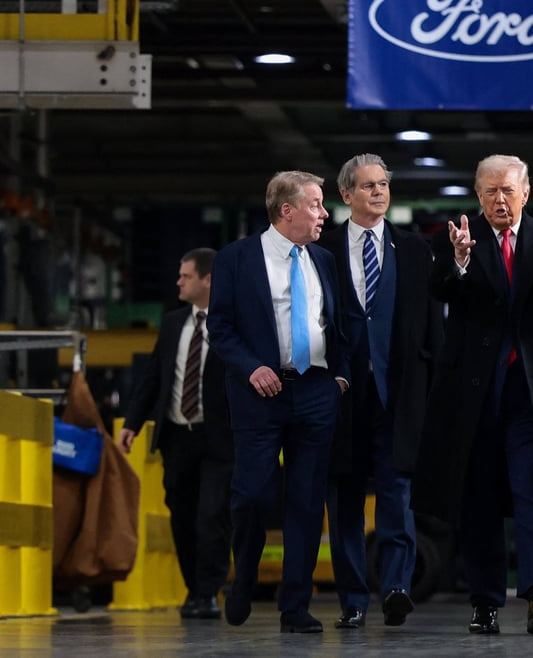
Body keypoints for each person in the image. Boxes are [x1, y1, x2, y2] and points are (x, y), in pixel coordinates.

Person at [412, 154, 533, 635]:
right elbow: (441, 289)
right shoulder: (454, 238)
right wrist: (460, 260)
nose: (499, 200)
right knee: (480, 499)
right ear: (478, 194)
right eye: (490, 191)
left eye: (508, 190)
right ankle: (485, 602)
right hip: (473, 395)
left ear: (526, 193)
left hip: (530, 395)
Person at [207, 170, 350, 634]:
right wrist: (251, 367)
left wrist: (340, 377)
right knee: (252, 495)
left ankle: (295, 607)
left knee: (307, 503)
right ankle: (242, 580)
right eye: (315, 204)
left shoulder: (324, 259)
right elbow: (221, 329)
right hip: (259, 394)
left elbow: (337, 321)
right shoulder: (235, 259)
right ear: (286, 211)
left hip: (315, 392)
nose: (324, 213)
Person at [317, 154, 443, 629]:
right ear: (346, 195)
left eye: (384, 184)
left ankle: (395, 588)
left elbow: (432, 327)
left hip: (399, 395)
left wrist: (433, 393)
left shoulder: (414, 249)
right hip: (342, 397)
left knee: (398, 496)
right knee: (345, 502)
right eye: (368, 186)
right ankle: (352, 599)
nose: (379, 192)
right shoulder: (321, 249)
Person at [117, 247, 231, 620]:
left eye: (185, 276)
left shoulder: (232, 323)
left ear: (207, 279)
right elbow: (153, 379)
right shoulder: (172, 324)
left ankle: (209, 591)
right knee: (180, 515)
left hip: (218, 439)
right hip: (177, 438)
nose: (178, 282)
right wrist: (132, 423)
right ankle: (194, 591)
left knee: (212, 516)